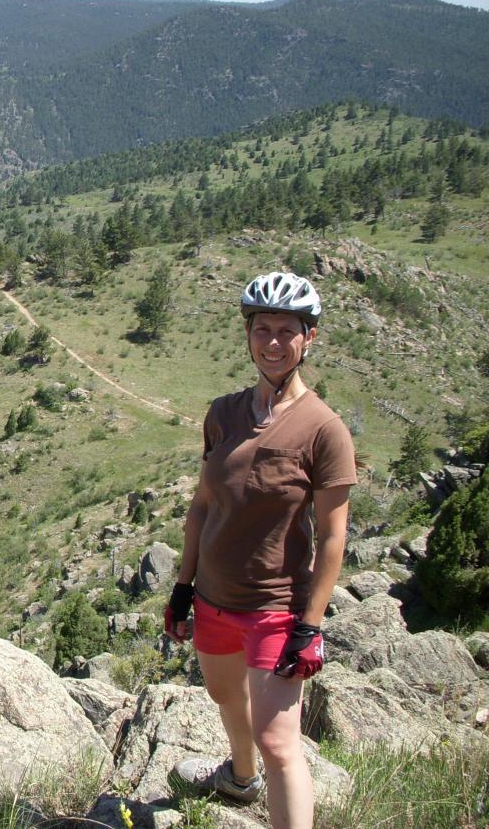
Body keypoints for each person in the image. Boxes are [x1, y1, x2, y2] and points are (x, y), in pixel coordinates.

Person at [164, 272, 357, 829]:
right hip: (215, 601)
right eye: (262, 329)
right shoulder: (223, 414)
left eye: (287, 331)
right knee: (228, 701)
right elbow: (203, 505)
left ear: (309, 338)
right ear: (248, 334)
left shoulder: (324, 430)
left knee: (280, 744)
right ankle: (239, 781)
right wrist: (183, 589)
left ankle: (262, 781)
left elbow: (334, 535)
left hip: (277, 609)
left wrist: (310, 627)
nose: (273, 342)